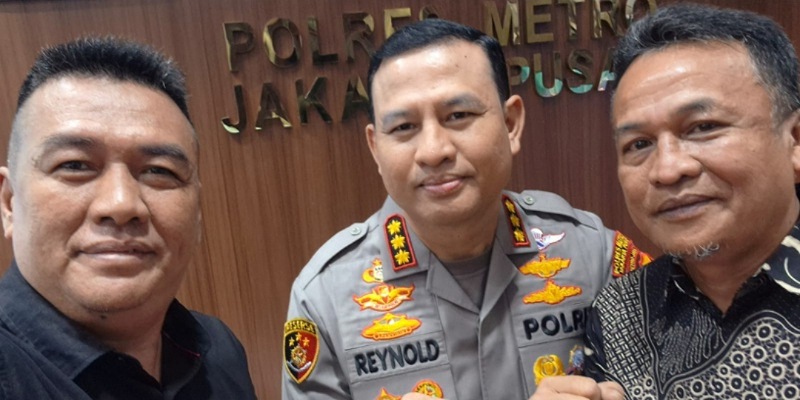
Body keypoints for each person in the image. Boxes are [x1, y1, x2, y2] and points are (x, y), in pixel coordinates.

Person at [282, 18, 649, 400]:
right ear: (376, 148)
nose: (433, 151)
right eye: (404, 127)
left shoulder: (593, 255)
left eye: (458, 116)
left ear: (510, 124)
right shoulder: (324, 297)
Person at [534, 3, 800, 399]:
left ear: (794, 139)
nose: (668, 169)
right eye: (639, 144)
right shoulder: (620, 313)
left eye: (703, 127)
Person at [0, 37, 258, 399]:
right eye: (74, 165)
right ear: (9, 203)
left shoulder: (219, 350)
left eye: (159, 171)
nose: (121, 204)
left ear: (197, 212)